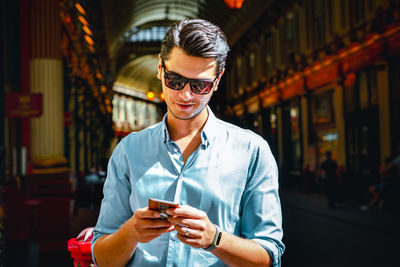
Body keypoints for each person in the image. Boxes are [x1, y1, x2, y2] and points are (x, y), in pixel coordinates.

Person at [91, 19, 284, 267]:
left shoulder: (252, 152)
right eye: (174, 80)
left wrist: (215, 239)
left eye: (199, 85)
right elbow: (103, 258)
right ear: (160, 69)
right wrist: (131, 232)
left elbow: (268, 257)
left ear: (217, 80)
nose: (185, 95)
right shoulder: (128, 151)